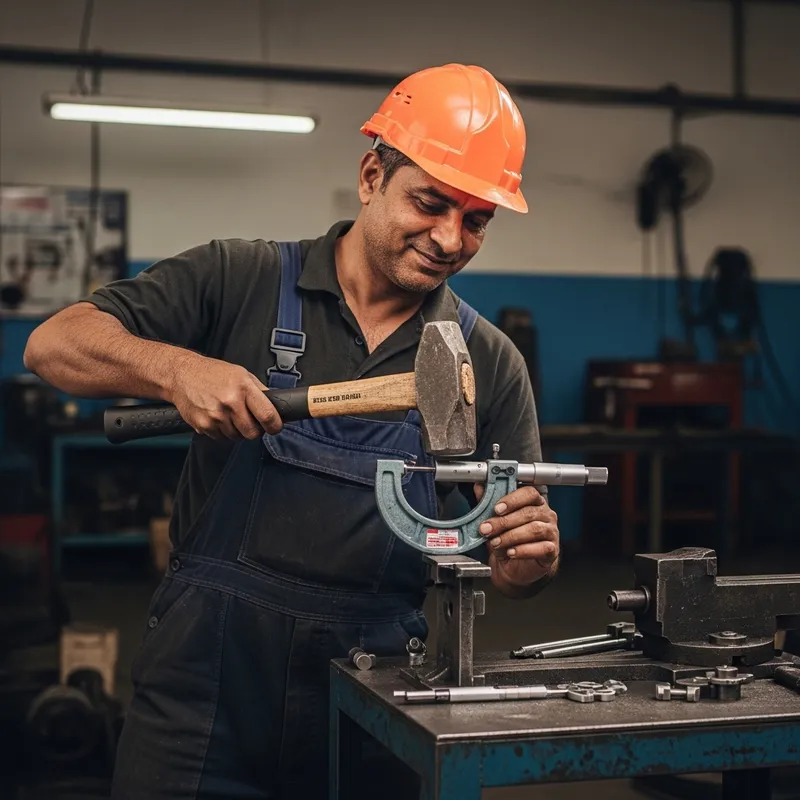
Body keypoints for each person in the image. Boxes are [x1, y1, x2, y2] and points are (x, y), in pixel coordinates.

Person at [24, 63, 560, 799]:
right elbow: (55, 343)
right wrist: (177, 370)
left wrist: (522, 568)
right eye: (431, 203)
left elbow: (509, 553)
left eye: (475, 221)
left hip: (377, 697)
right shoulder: (238, 277)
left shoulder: (490, 361)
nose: (449, 238)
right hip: (200, 695)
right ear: (372, 175)